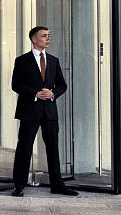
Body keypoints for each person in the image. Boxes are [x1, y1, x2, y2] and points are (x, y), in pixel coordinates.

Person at [11, 26, 78, 197]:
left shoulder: (54, 60)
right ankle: (18, 185)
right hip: (29, 111)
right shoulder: (22, 61)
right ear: (34, 39)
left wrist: (53, 93)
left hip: (49, 111)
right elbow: (16, 85)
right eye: (44, 36)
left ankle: (57, 185)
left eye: (48, 36)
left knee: (53, 148)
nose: (47, 39)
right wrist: (35, 93)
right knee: (24, 148)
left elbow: (62, 85)